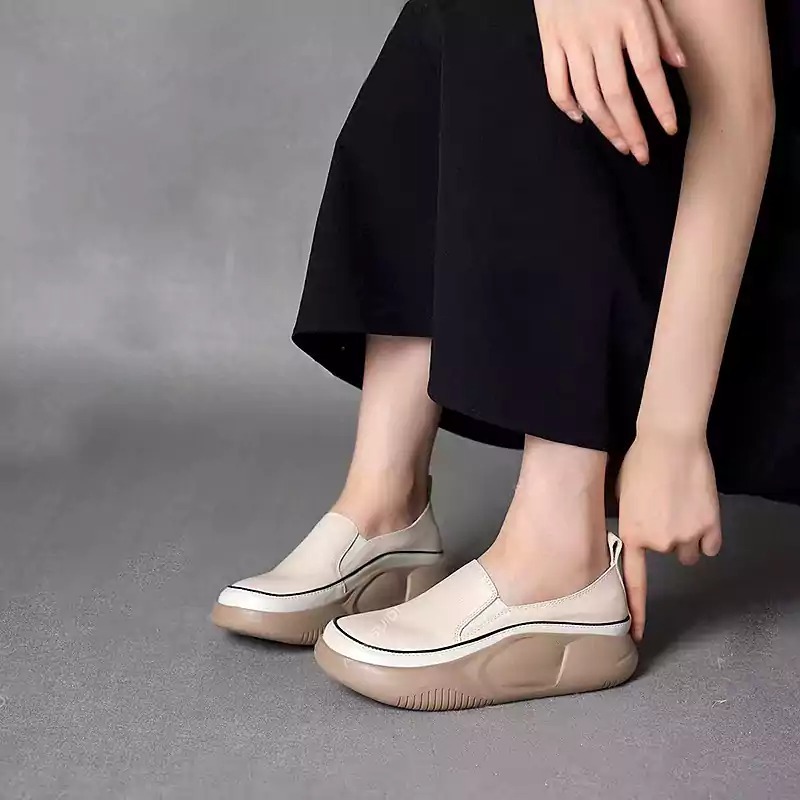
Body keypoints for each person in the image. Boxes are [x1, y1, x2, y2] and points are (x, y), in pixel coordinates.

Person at [212, 0, 796, 710]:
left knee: (543, 27)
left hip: (753, 228)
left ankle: (559, 554)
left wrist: (669, 435)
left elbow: (741, 107)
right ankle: (384, 504)